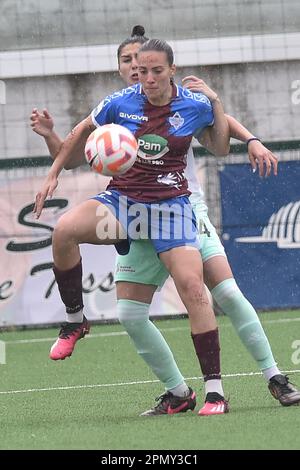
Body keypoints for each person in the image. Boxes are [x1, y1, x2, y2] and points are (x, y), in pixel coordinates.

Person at [31, 26, 300, 415]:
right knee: (127, 310)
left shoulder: (190, 103)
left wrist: (251, 136)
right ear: (126, 68)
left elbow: (220, 135)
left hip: (184, 205)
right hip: (129, 206)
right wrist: (53, 158)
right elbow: (77, 147)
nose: (142, 74)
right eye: (133, 65)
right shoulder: (118, 106)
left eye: (150, 67)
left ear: (170, 68)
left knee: (219, 292)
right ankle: (173, 389)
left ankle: (267, 378)